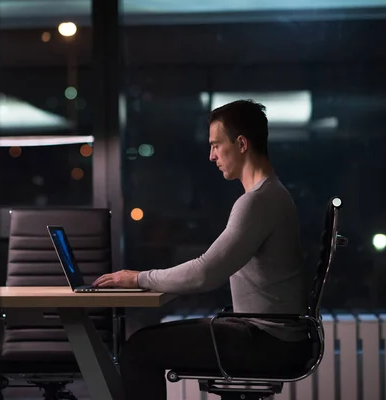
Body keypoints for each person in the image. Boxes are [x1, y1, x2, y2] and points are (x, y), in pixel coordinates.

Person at [92, 99, 313, 399]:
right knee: (144, 343)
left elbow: (206, 273)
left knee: (139, 350)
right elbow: (208, 270)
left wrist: (138, 279)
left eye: (216, 145)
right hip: (273, 336)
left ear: (242, 144)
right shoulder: (271, 195)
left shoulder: (259, 201)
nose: (211, 156)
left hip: (269, 342)